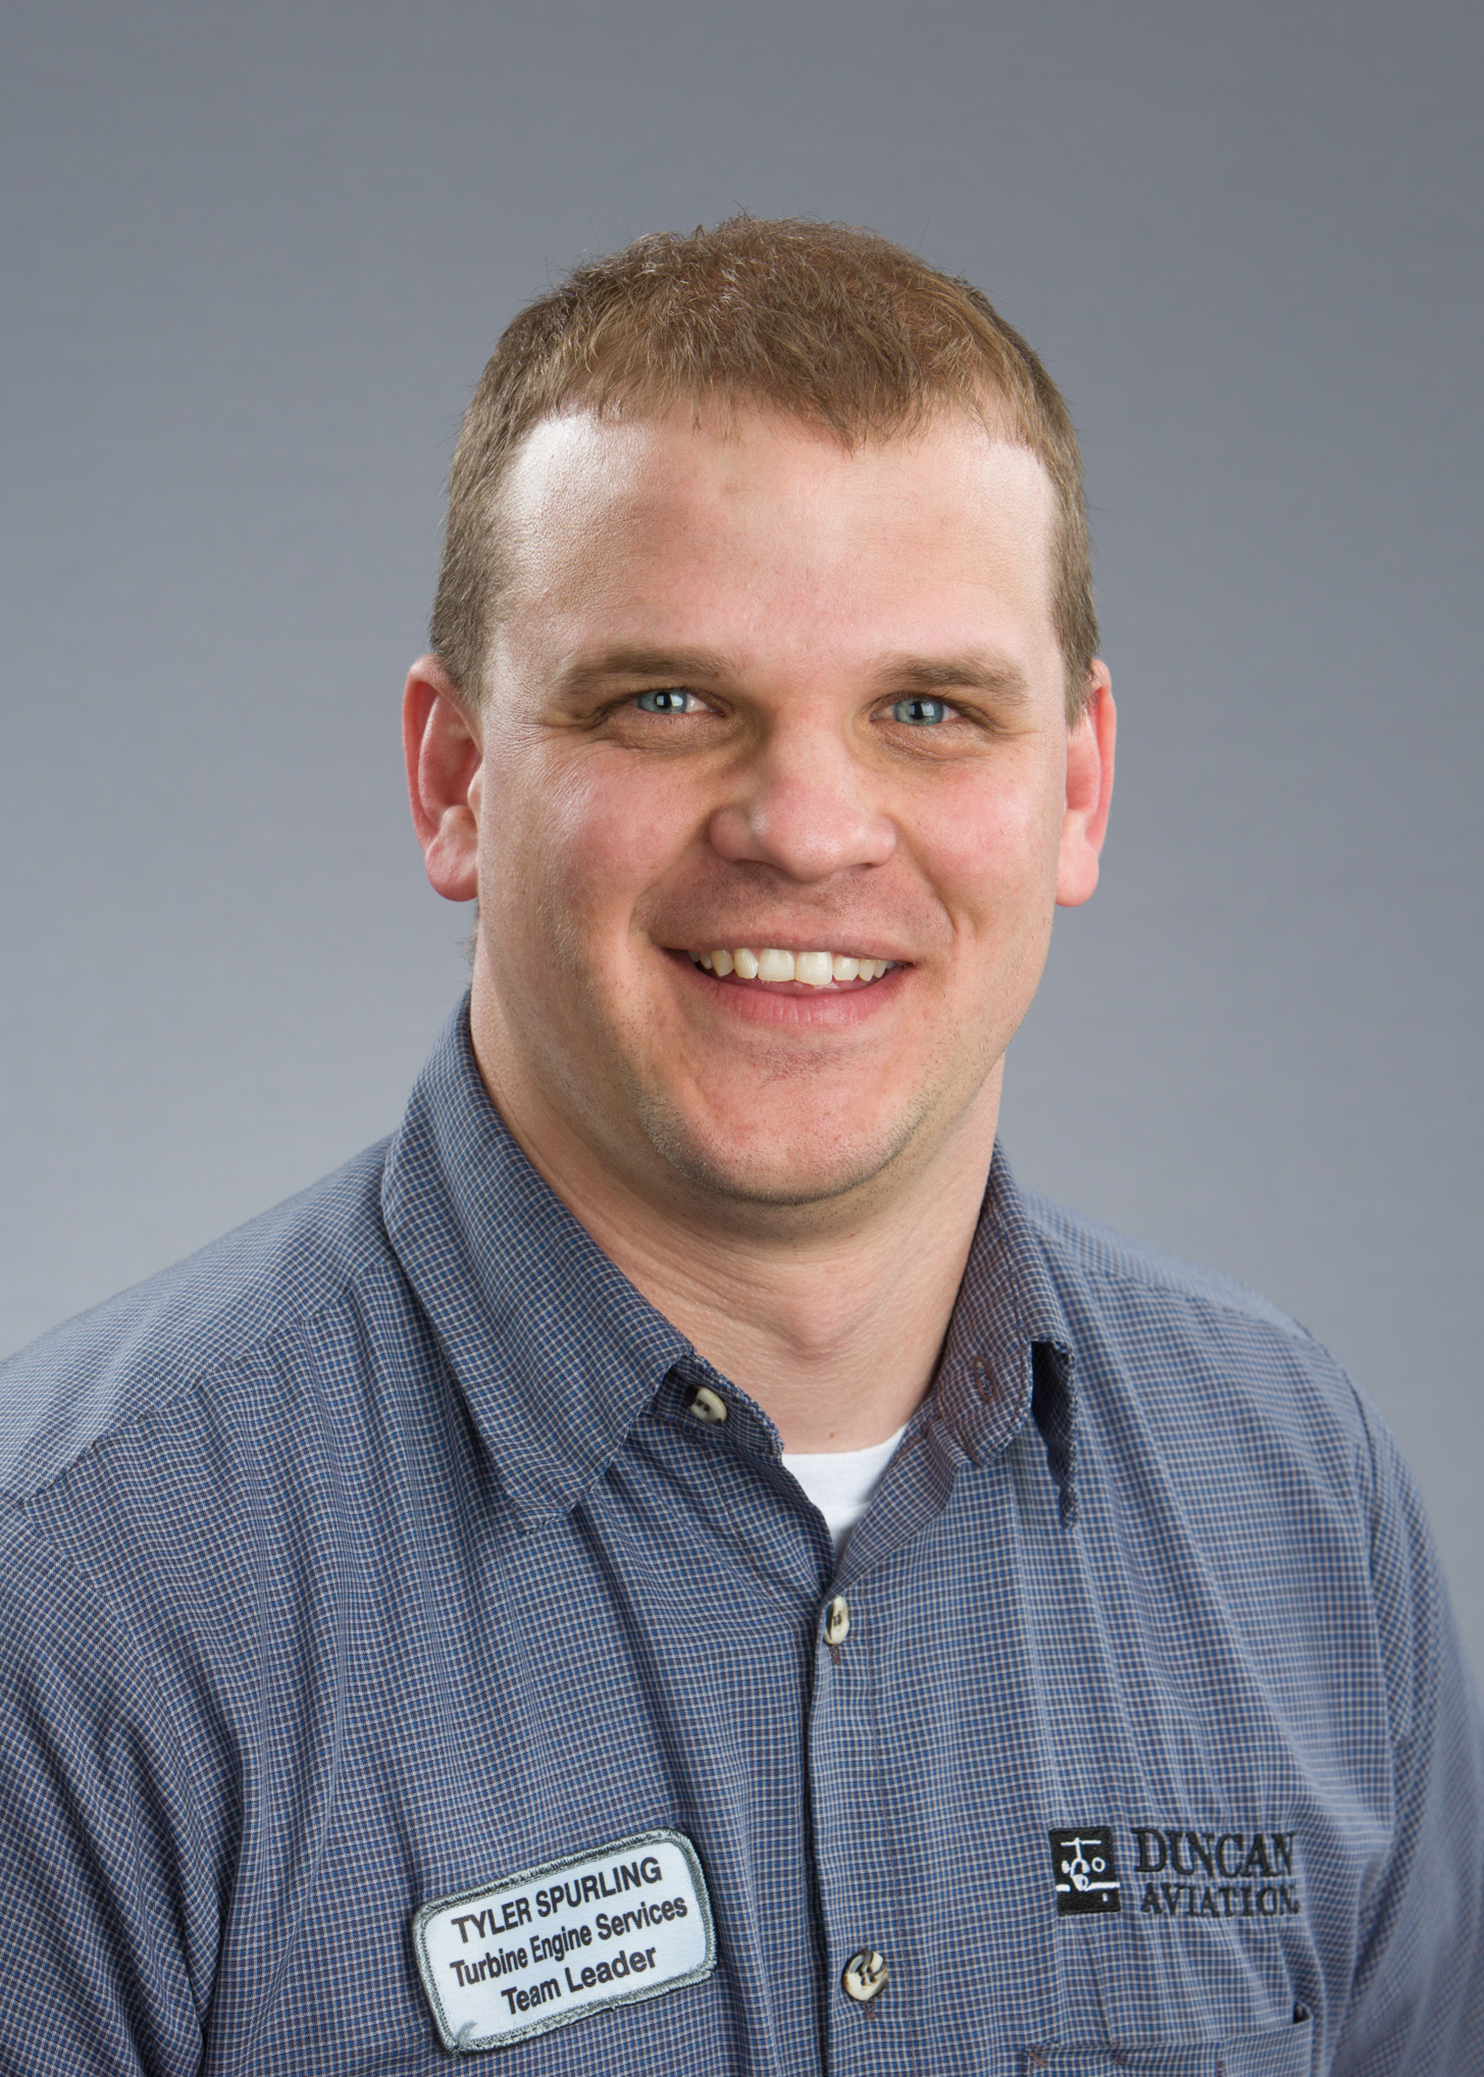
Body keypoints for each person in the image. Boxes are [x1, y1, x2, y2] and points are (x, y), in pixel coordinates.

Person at [0, 218, 1478, 2077]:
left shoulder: (1303, 1510)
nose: (806, 824)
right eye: (669, 702)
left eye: (928, 711)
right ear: (455, 778)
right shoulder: (80, 1603)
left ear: (1077, 786)